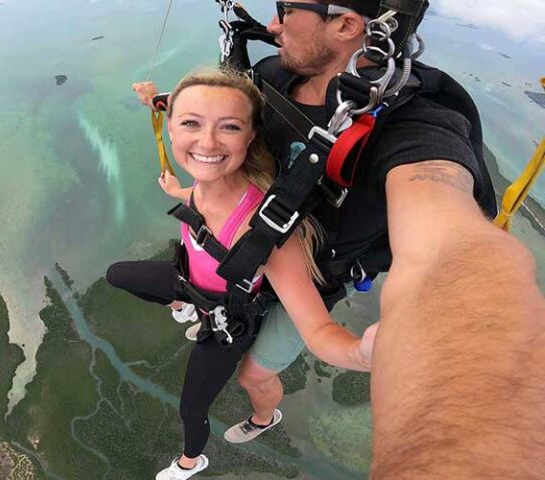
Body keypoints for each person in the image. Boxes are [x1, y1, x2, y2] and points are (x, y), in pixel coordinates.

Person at [137, 0, 545, 476]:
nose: (272, 24)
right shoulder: (277, 71)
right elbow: (225, 114)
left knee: (254, 372)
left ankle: (264, 417)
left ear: (347, 24)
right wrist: (164, 102)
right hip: (254, 246)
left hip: (311, 276)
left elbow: (445, 239)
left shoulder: (414, 126)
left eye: (286, 9)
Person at [107, 68, 379, 480]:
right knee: (117, 274)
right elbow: (199, 183)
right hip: (192, 285)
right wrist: (153, 102)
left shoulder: (263, 228)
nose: (207, 142)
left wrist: (360, 353)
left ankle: (191, 462)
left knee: (192, 406)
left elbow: (317, 328)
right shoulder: (207, 180)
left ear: (251, 137)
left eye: (229, 127)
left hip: (228, 319)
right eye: (190, 124)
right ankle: (184, 306)